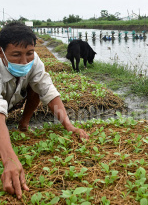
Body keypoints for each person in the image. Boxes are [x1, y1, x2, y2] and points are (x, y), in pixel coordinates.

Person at [0, 22, 89, 199]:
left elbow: (47, 90)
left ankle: (23, 125)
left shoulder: (34, 61)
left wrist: (69, 126)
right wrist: (9, 159)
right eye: (16, 55)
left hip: (13, 98)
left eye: (29, 53)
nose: (24, 61)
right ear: (1, 53)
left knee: (37, 87)